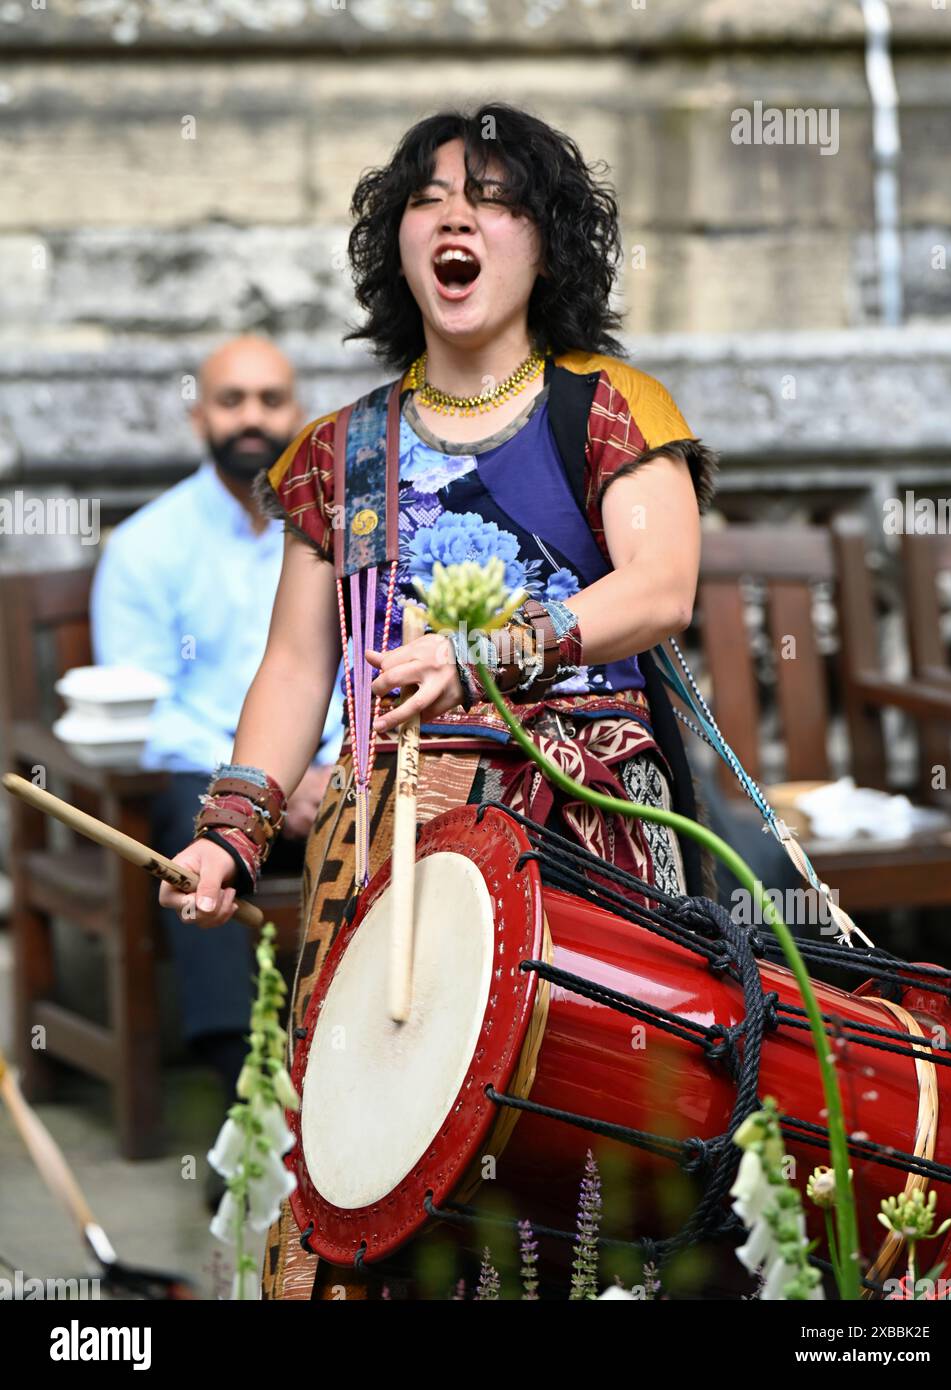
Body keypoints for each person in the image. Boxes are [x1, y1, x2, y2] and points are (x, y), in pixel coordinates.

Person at [158, 103, 719, 1296]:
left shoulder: (609, 406)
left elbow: (662, 588)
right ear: (399, 246)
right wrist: (229, 831)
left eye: (497, 197)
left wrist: (483, 656)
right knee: (372, 1157)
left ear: (544, 247)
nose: (458, 215)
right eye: (430, 198)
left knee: (562, 1157)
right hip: (383, 844)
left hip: (577, 832)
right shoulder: (336, 451)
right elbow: (298, 668)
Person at [91, 335, 343, 1150]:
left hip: (338, 785)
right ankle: (249, 1117)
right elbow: (143, 706)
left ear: (296, 414)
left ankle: (368, 1112)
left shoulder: (332, 536)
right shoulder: (146, 548)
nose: (251, 418)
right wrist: (263, 782)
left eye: (271, 400)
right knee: (183, 812)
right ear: (199, 413)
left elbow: (357, 667)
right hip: (218, 798)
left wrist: (322, 767)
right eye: (232, 400)